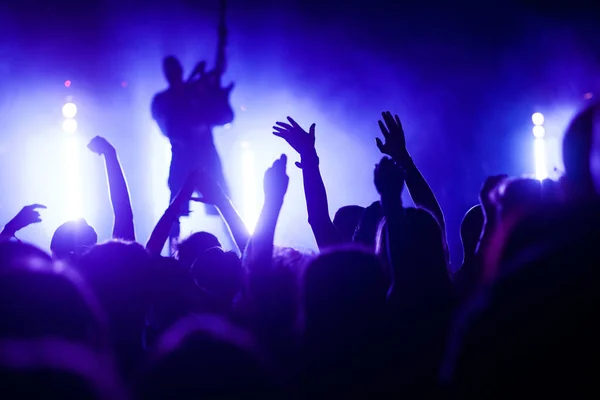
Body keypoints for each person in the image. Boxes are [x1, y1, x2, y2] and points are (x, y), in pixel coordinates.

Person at [151, 55, 234, 239]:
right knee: (175, 213)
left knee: (225, 208)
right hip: (184, 161)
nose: (175, 74)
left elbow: (224, 116)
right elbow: (168, 129)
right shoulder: (164, 100)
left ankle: (243, 254)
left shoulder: (194, 92)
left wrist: (218, 97)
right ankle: (171, 259)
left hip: (205, 160)